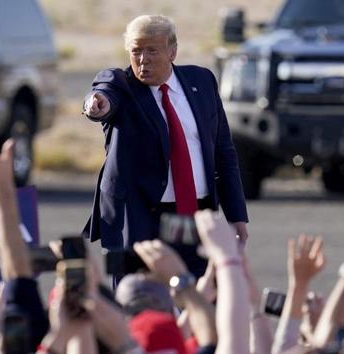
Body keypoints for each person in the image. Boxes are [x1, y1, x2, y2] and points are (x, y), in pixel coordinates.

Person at [81, 15, 249, 267]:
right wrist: (95, 104)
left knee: (197, 293)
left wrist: (236, 214)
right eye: (136, 51)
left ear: (172, 52)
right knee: (139, 297)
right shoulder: (121, 86)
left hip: (192, 215)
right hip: (141, 217)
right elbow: (102, 95)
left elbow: (223, 152)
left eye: (152, 50)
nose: (142, 59)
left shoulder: (201, 82)